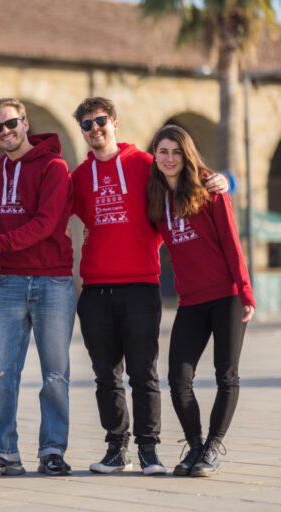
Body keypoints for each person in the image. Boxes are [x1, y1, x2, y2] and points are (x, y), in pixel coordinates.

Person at [71, 97, 228, 475]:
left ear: (115, 123)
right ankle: (116, 449)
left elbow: (186, 176)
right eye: (87, 125)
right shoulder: (80, 175)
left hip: (141, 286)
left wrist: (223, 180)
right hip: (95, 289)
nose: (95, 129)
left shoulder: (145, 164)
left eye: (100, 121)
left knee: (144, 373)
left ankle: (148, 450)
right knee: (105, 375)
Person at [0, 98, 75, 477]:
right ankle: (3, 453)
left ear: (25, 123)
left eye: (11, 123)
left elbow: (46, 223)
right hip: (9, 281)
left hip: (53, 281)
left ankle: (52, 451)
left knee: (55, 375)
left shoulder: (54, 167)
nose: (5, 132)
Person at [147, 125, 255, 477]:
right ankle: (195, 446)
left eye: (176, 152)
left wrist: (246, 291)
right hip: (191, 301)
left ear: (187, 154)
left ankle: (212, 447)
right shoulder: (156, 197)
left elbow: (231, 243)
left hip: (227, 296)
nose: (169, 158)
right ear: (155, 155)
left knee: (227, 374)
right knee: (178, 378)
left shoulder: (210, 189)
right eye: (163, 151)